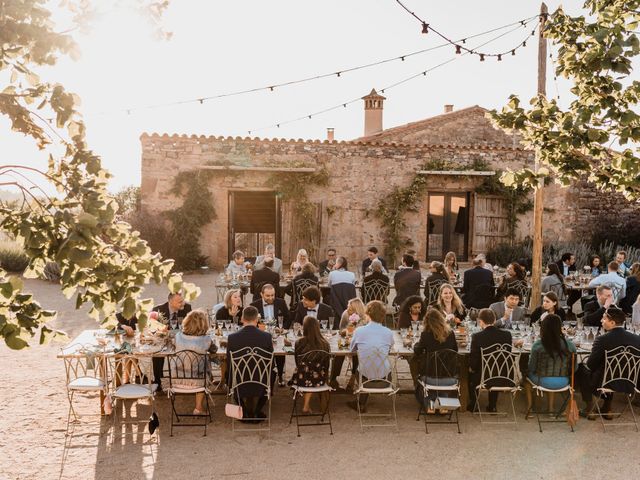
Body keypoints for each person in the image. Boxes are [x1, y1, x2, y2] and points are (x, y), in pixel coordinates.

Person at [577, 306, 640, 417]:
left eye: (604, 318)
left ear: (612, 322)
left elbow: (590, 365)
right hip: (630, 381)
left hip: (605, 382)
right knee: (607, 369)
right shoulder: (637, 339)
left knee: (582, 368)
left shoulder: (602, 339)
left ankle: (589, 408)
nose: (601, 321)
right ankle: (607, 407)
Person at [226, 306, 275, 421]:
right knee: (272, 373)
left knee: (228, 374)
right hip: (261, 381)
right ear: (256, 319)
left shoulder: (232, 338)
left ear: (242, 318)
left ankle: (244, 411)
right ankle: (256, 411)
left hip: (239, 382)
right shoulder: (266, 337)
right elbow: (270, 362)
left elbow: (229, 362)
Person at [348, 300, 395, 412]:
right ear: (383, 316)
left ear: (367, 314)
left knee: (363, 366)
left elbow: (352, 350)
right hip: (385, 378)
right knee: (378, 362)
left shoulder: (359, 331)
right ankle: (361, 402)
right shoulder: (388, 332)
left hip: (364, 377)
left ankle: (361, 402)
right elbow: (389, 350)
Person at [524, 314, 576, 413]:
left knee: (526, 379)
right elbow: (575, 368)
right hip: (564, 381)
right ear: (560, 328)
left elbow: (532, 367)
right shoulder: (570, 345)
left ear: (543, 328)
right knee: (552, 372)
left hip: (542, 381)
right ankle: (551, 408)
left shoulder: (538, 345)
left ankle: (529, 408)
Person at [412, 307, 458, 410]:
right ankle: (443, 405)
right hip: (449, 378)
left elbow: (417, 351)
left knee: (419, 368)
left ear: (426, 322)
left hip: (430, 378)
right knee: (439, 373)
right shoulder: (451, 334)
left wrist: (415, 344)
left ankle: (431, 404)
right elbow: (455, 351)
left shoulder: (425, 335)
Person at [173, 310, 218, 415]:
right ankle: (198, 408)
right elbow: (214, 350)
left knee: (198, 366)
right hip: (198, 380)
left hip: (178, 377)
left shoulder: (178, 336)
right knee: (203, 368)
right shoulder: (206, 339)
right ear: (204, 324)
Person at [468, 308, 513, 412]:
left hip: (483, 378)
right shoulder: (507, 335)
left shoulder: (477, 336)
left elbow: (474, 361)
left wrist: (471, 368)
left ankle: (473, 404)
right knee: (495, 367)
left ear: (480, 322)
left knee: (471, 372)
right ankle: (492, 405)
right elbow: (506, 354)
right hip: (503, 376)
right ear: (494, 320)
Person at [289, 316, 331, 414]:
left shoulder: (299, 342)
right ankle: (306, 405)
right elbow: (327, 364)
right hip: (319, 379)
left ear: (304, 328)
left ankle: (306, 405)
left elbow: (297, 362)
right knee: (313, 373)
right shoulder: (325, 344)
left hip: (300, 378)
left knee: (307, 373)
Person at [251, 283, 290, 385]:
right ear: (261, 294)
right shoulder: (254, 305)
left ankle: (280, 376)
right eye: (268, 295)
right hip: (261, 336)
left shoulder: (281, 302)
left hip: (278, 335)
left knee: (281, 352)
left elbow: (288, 318)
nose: (271, 298)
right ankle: (263, 375)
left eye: (272, 295)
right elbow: (252, 322)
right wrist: (259, 329)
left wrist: (282, 329)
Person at [152, 292, 193, 390]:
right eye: (179, 302)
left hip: (182, 339)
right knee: (157, 353)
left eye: (182, 300)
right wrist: (160, 330)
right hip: (163, 338)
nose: (183, 303)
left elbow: (191, 326)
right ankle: (158, 381)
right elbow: (152, 329)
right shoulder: (158, 310)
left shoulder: (187, 308)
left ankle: (185, 378)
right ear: (170, 301)